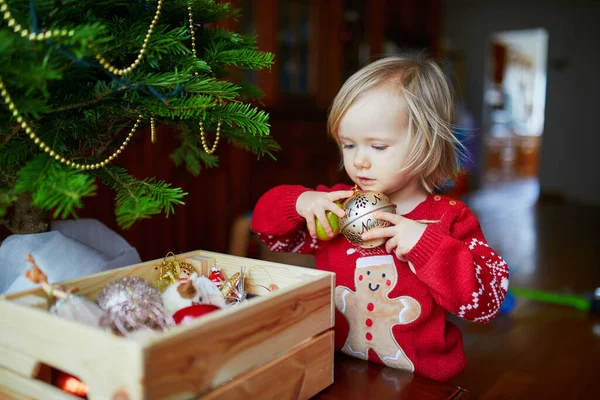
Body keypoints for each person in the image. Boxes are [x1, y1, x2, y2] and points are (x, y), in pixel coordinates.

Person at [250, 55, 509, 382]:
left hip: (420, 383)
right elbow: (266, 230)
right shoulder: (338, 204)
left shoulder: (449, 218)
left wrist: (425, 246)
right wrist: (299, 202)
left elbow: (487, 301)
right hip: (335, 369)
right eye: (348, 144)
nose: (359, 161)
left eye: (378, 146)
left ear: (426, 144)